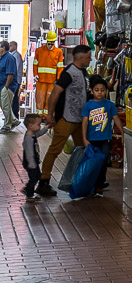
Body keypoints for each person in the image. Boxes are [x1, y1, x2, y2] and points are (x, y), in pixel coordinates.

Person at [37, 44, 92, 197]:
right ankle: (44, 181)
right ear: (80, 57)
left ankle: (81, 181)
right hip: (66, 119)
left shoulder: (83, 72)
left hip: (80, 121)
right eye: (88, 56)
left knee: (83, 150)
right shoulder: (69, 73)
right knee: (55, 150)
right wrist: (50, 115)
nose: (90, 59)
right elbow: (55, 93)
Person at [80, 76, 123, 197]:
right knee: (92, 163)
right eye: (97, 90)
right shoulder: (88, 106)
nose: (100, 92)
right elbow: (84, 123)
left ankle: (99, 186)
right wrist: (84, 138)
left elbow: (116, 119)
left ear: (106, 91)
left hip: (105, 139)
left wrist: (122, 133)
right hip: (91, 140)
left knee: (103, 163)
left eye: (102, 90)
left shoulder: (110, 105)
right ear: (92, 91)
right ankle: (90, 185)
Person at [21, 112, 47, 202]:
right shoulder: (28, 138)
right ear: (31, 125)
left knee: (37, 176)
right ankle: (29, 194)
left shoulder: (32, 134)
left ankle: (28, 189)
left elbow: (39, 134)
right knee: (34, 178)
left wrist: (46, 127)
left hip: (33, 162)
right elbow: (29, 153)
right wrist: (32, 163)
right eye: (39, 124)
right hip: (30, 162)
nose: (40, 126)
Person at [34, 32, 63, 112]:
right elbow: (35, 63)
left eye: (52, 42)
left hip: (51, 81)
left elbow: (60, 67)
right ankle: (39, 117)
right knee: (40, 99)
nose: (51, 44)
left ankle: (46, 117)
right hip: (40, 80)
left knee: (49, 100)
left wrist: (58, 79)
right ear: (47, 41)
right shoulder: (39, 51)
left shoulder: (58, 52)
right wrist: (35, 74)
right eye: (49, 42)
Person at [0, 41, 20, 131]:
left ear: (3, 48)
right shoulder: (2, 58)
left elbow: (10, 75)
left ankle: (7, 126)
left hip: (8, 86)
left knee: (6, 106)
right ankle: (14, 120)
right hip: (2, 86)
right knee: (4, 105)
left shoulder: (9, 58)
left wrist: (6, 88)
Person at [8, 40, 23, 119]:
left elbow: (14, 69)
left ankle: (14, 116)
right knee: (14, 99)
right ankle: (13, 116)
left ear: (14, 46)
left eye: (10, 46)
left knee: (13, 99)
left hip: (15, 80)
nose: (9, 47)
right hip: (15, 80)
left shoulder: (15, 56)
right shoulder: (14, 55)